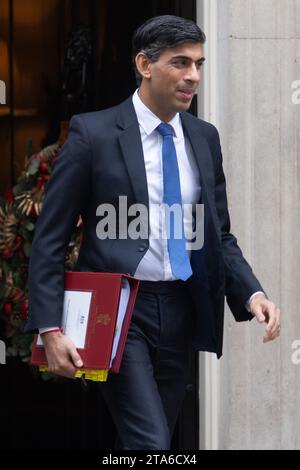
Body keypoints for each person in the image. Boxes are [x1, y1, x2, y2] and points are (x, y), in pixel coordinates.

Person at [25, 15, 281, 450]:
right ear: (145, 64)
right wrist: (50, 327)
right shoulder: (94, 133)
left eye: (199, 64)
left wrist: (252, 294)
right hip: (122, 310)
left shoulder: (204, 137)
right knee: (151, 444)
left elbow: (216, 233)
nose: (193, 76)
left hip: (182, 307)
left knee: (153, 439)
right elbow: (50, 238)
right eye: (180, 63)